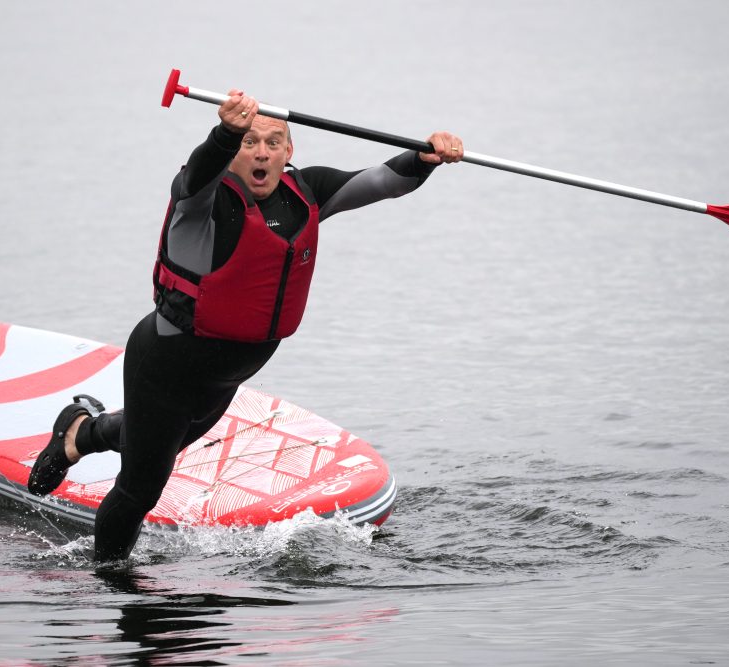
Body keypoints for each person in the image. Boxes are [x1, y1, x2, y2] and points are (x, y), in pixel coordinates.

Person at [28, 89, 463, 562]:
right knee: (141, 487)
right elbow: (197, 173)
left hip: (226, 376)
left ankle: (79, 433)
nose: (261, 153)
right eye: (248, 142)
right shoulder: (203, 200)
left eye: (273, 142)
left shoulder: (307, 192)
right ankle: (110, 581)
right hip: (166, 364)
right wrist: (224, 133)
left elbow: (382, 181)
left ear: (288, 150)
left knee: (153, 441)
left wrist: (424, 158)